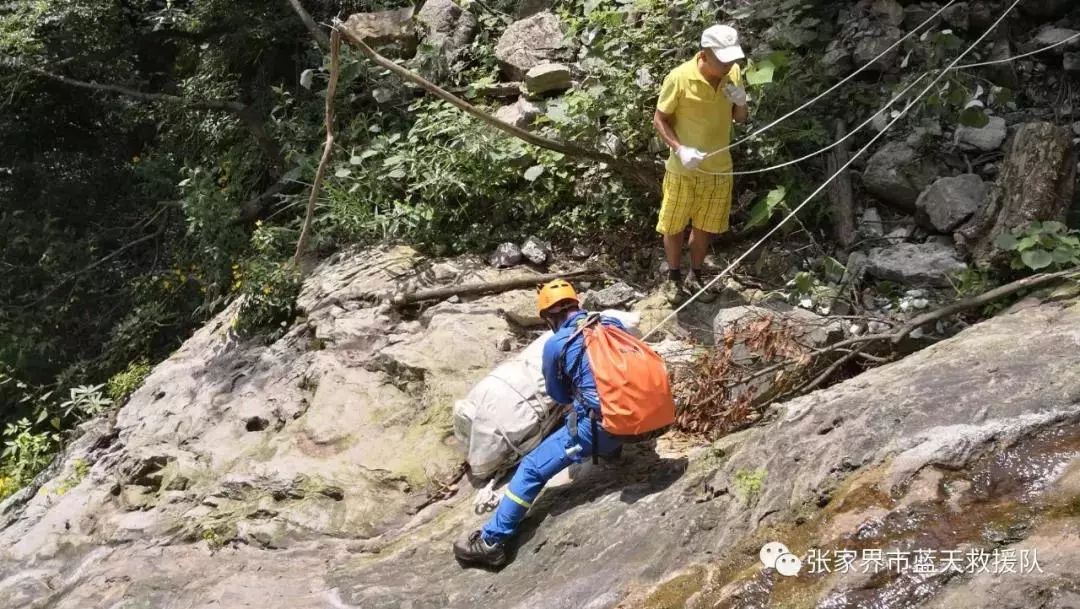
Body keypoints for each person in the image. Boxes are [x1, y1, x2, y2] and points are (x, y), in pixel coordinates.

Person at [453, 279, 624, 568]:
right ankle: (613, 449)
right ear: (577, 305)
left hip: (603, 427)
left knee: (531, 469)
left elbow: (557, 395)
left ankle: (491, 542)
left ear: (548, 317)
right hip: (644, 416)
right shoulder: (611, 322)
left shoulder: (556, 344)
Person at [652, 24, 750, 305]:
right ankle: (673, 277)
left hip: (719, 167)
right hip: (684, 168)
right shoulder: (679, 78)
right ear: (705, 55)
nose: (728, 64)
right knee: (673, 224)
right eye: (722, 59)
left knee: (705, 225)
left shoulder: (732, 73)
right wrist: (680, 149)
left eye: (731, 59)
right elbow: (659, 119)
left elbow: (740, 119)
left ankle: (696, 274)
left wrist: (741, 102)